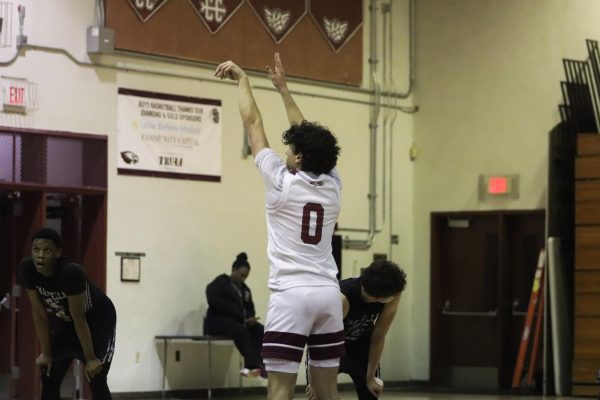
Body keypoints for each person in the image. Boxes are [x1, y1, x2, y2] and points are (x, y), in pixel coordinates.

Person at [214, 53, 343, 400]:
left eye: (290, 148)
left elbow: (253, 123)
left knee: (280, 389)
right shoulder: (333, 183)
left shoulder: (281, 181)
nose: (285, 150)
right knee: (327, 391)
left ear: (298, 157)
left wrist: (244, 81)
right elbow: (309, 136)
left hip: (291, 295)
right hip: (329, 294)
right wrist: (284, 90)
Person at [19, 227, 116, 400]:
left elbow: (80, 317)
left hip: (98, 321)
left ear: (58, 253)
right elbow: (39, 313)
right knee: (49, 373)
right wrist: (47, 353)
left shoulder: (71, 272)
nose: (40, 255)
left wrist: (90, 358)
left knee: (96, 376)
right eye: (36, 250)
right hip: (68, 321)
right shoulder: (28, 269)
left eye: (47, 250)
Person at [306, 260, 407, 400]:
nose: (397, 296)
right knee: (320, 395)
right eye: (393, 295)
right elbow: (317, 340)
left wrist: (370, 377)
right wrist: (313, 381)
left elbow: (379, 335)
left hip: (361, 347)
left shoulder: (393, 295)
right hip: (331, 348)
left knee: (371, 391)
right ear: (379, 298)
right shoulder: (341, 300)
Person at [204, 252, 265, 377]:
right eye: (241, 275)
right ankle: (252, 365)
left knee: (259, 329)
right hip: (217, 321)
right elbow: (212, 298)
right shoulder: (222, 282)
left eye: (245, 277)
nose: (243, 279)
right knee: (240, 330)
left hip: (238, 323)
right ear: (233, 270)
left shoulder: (245, 289)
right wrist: (235, 312)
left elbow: (250, 307)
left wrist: (250, 317)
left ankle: (263, 362)